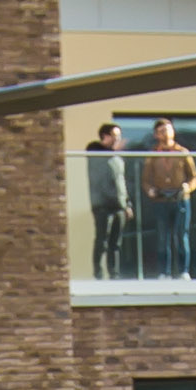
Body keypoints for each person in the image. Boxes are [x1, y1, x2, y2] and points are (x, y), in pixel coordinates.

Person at [136, 118, 196, 278]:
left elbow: (194, 177)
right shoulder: (153, 154)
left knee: (181, 234)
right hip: (161, 199)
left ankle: (184, 271)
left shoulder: (182, 152)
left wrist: (187, 187)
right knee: (163, 236)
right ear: (156, 134)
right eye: (162, 131)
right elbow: (145, 179)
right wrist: (150, 190)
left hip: (180, 198)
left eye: (169, 129)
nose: (166, 133)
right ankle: (164, 272)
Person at [83, 119, 132, 278]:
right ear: (105, 136)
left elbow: (121, 182)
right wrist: (112, 151)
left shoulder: (117, 158)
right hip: (102, 205)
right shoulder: (94, 150)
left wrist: (127, 204)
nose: (118, 139)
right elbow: (98, 162)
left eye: (119, 136)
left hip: (118, 205)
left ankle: (114, 274)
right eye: (115, 136)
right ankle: (98, 273)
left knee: (115, 244)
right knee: (101, 241)